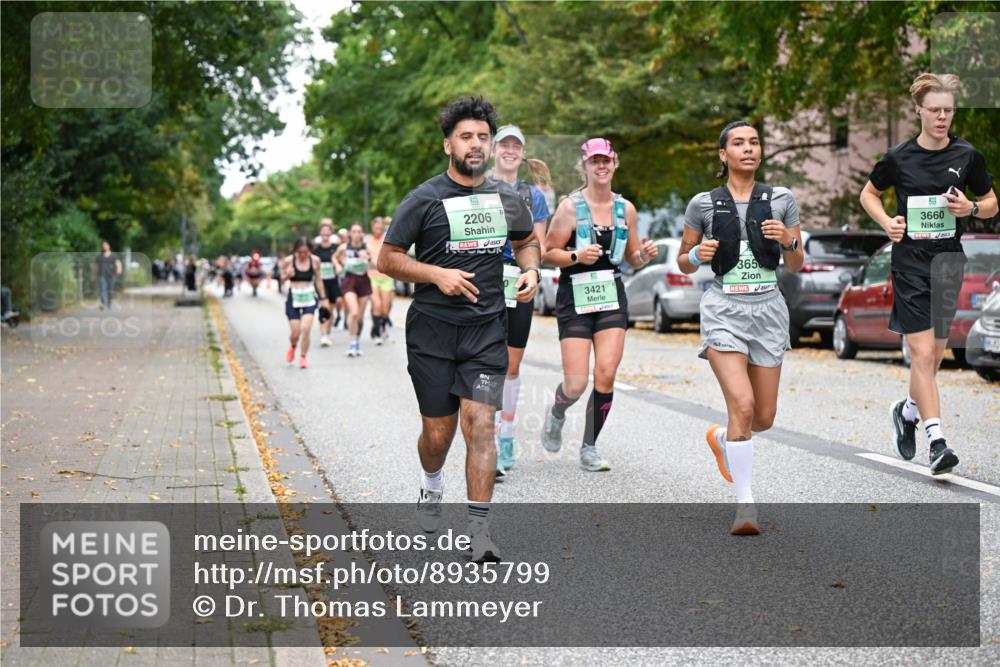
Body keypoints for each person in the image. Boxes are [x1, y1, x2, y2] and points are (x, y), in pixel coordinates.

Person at [378, 96, 539, 562]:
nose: (475, 144)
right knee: (438, 436)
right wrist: (436, 274)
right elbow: (387, 258)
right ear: (448, 143)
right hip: (432, 333)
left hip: (486, 331)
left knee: (482, 425)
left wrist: (531, 271)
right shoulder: (424, 198)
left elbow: (527, 241)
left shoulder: (506, 197)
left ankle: (479, 531)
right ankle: (432, 485)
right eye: (466, 136)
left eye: (483, 137)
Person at [860, 73, 996, 475]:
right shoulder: (898, 157)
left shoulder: (967, 156)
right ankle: (937, 440)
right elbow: (869, 193)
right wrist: (887, 222)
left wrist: (970, 209)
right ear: (918, 110)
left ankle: (907, 412)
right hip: (911, 264)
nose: (942, 117)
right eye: (934, 110)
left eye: (948, 111)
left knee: (935, 355)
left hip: (949, 261)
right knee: (921, 353)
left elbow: (990, 202)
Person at [677, 121, 803, 535]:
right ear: (723, 154)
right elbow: (682, 260)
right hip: (723, 309)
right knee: (743, 406)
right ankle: (745, 506)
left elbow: (796, 264)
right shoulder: (704, 204)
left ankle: (722, 438)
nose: (747, 149)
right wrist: (697, 253)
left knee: (762, 417)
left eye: (753, 142)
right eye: (738, 143)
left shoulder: (782, 199)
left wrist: (788, 240)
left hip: (768, 309)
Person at [540, 138, 657, 473]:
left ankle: (589, 447)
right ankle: (558, 412)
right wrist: (576, 255)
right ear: (585, 166)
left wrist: (643, 256)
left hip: (610, 295)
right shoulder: (569, 208)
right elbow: (549, 254)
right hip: (574, 296)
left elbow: (632, 258)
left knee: (605, 374)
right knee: (576, 383)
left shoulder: (626, 209)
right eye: (595, 161)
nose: (601, 166)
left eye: (606, 160)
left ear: (615, 163)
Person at [489, 125, 552, 479]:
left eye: (516, 146)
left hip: (519, 284)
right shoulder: (479, 187)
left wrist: (534, 274)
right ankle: (490, 442)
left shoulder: (533, 196)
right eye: (504, 145)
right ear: (494, 150)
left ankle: (508, 431)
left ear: (522, 153)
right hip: (485, 283)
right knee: (487, 362)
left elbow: (535, 247)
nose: (510, 150)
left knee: (511, 366)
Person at [280, 237, 329, 369]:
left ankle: (303, 357)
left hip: (309, 297)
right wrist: (286, 275)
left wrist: (323, 298)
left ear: (310, 251)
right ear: (296, 250)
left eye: (306, 252)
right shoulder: (289, 261)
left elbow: (318, 280)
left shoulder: (315, 261)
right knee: (295, 332)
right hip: (294, 297)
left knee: (306, 328)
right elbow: (281, 280)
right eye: (300, 252)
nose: (303, 255)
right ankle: (293, 346)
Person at [335, 223, 373, 357]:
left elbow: (375, 262)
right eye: (354, 231)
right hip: (349, 281)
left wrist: (369, 258)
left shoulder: (367, 247)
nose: (357, 234)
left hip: (363, 281)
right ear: (350, 234)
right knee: (354, 313)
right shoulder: (344, 247)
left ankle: (356, 341)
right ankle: (351, 344)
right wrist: (338, 266)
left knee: (361, 317)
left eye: (359, 231)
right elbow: (334, 257)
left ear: (362, 234)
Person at [314, 219, 342, 347]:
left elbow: (341, 262)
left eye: (327, 233)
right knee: (323, 307)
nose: (325, 235)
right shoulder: (316, 250)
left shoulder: (336, 249)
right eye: (323, 233)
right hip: (321, 283)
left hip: (333, 282)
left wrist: (338, 266)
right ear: (320, 233)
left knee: (330, 309)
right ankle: (323, 335)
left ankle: (327, 332)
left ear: (331, 233)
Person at [368, 217, 395, 345]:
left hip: (386, 277)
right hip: (372, 277)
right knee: (376, 305)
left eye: (380, 228)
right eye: (376, 227)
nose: (378, 230)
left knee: (385, 308)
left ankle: (382, 325)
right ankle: (377, 331)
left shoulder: (387, 241)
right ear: (372, 227)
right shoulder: (368, 242)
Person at [94, 241, 122, 309]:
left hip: (111, 275)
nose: (104, 247)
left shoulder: (114, 255)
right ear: (102, 247)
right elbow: (96, 266)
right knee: (102, 289)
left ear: (108, 246)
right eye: (103, 246)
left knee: (110, 289)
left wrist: (119, 270)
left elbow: (118, 263)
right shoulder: (99, 256)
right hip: (101, 275)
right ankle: (103, 303)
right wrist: (94, 275)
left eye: (106, 246)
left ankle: (109, 302)